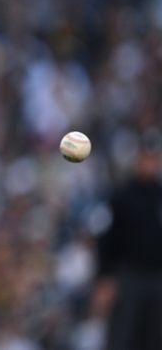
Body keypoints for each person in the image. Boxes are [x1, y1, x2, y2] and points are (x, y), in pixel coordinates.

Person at [93, 146, 162, 350]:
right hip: (128, 276)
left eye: (154, 158)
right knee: (124, 335)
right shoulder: (121, 197)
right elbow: (107, 240)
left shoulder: (159, 195)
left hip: (158, 277)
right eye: (146, 158)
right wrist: (105, 277)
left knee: (155, 336)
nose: (150, 164)